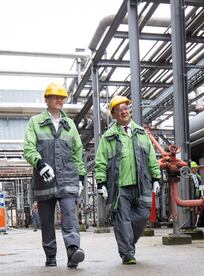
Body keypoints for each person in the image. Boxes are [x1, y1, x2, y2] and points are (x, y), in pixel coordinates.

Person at [24, 83, 86, 268]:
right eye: (54, 97)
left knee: (69, 215)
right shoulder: (35, 122)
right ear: (47, 99)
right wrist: (40, 163)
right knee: (47, 221)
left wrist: (81, 177)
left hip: (67, 179)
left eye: (62, 97)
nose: (59, 100)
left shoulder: (70, 125)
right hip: (44, 181)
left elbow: (78, 152)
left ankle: (73, 250)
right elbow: (28, 148)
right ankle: (50, 255)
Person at [95, 95, 161, 265]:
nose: (123, 112)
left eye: (125, 108)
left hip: (141, 183)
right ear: (114, 115)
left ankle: (127, 243)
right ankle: (127, 254)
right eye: (118, 110)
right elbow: (101, 161)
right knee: (122, 220)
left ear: (130, 111)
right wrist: (101, 182)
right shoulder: (108, 137)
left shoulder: (141, 133)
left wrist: (156, 177)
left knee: (143, 215)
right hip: (119, 186)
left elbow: (151, 158)